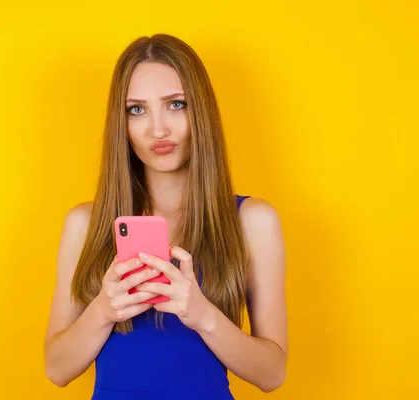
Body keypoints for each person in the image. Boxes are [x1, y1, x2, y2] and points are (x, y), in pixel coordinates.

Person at [44, 33, 288, 400]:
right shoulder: (84, 224)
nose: (158, 129)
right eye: (136, 109)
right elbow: (56, 369)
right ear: (121, 124)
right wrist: (104, 310)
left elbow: (272, 374)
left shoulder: (252, 221)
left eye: (176, 105)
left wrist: (203, 315)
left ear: (200, 110)